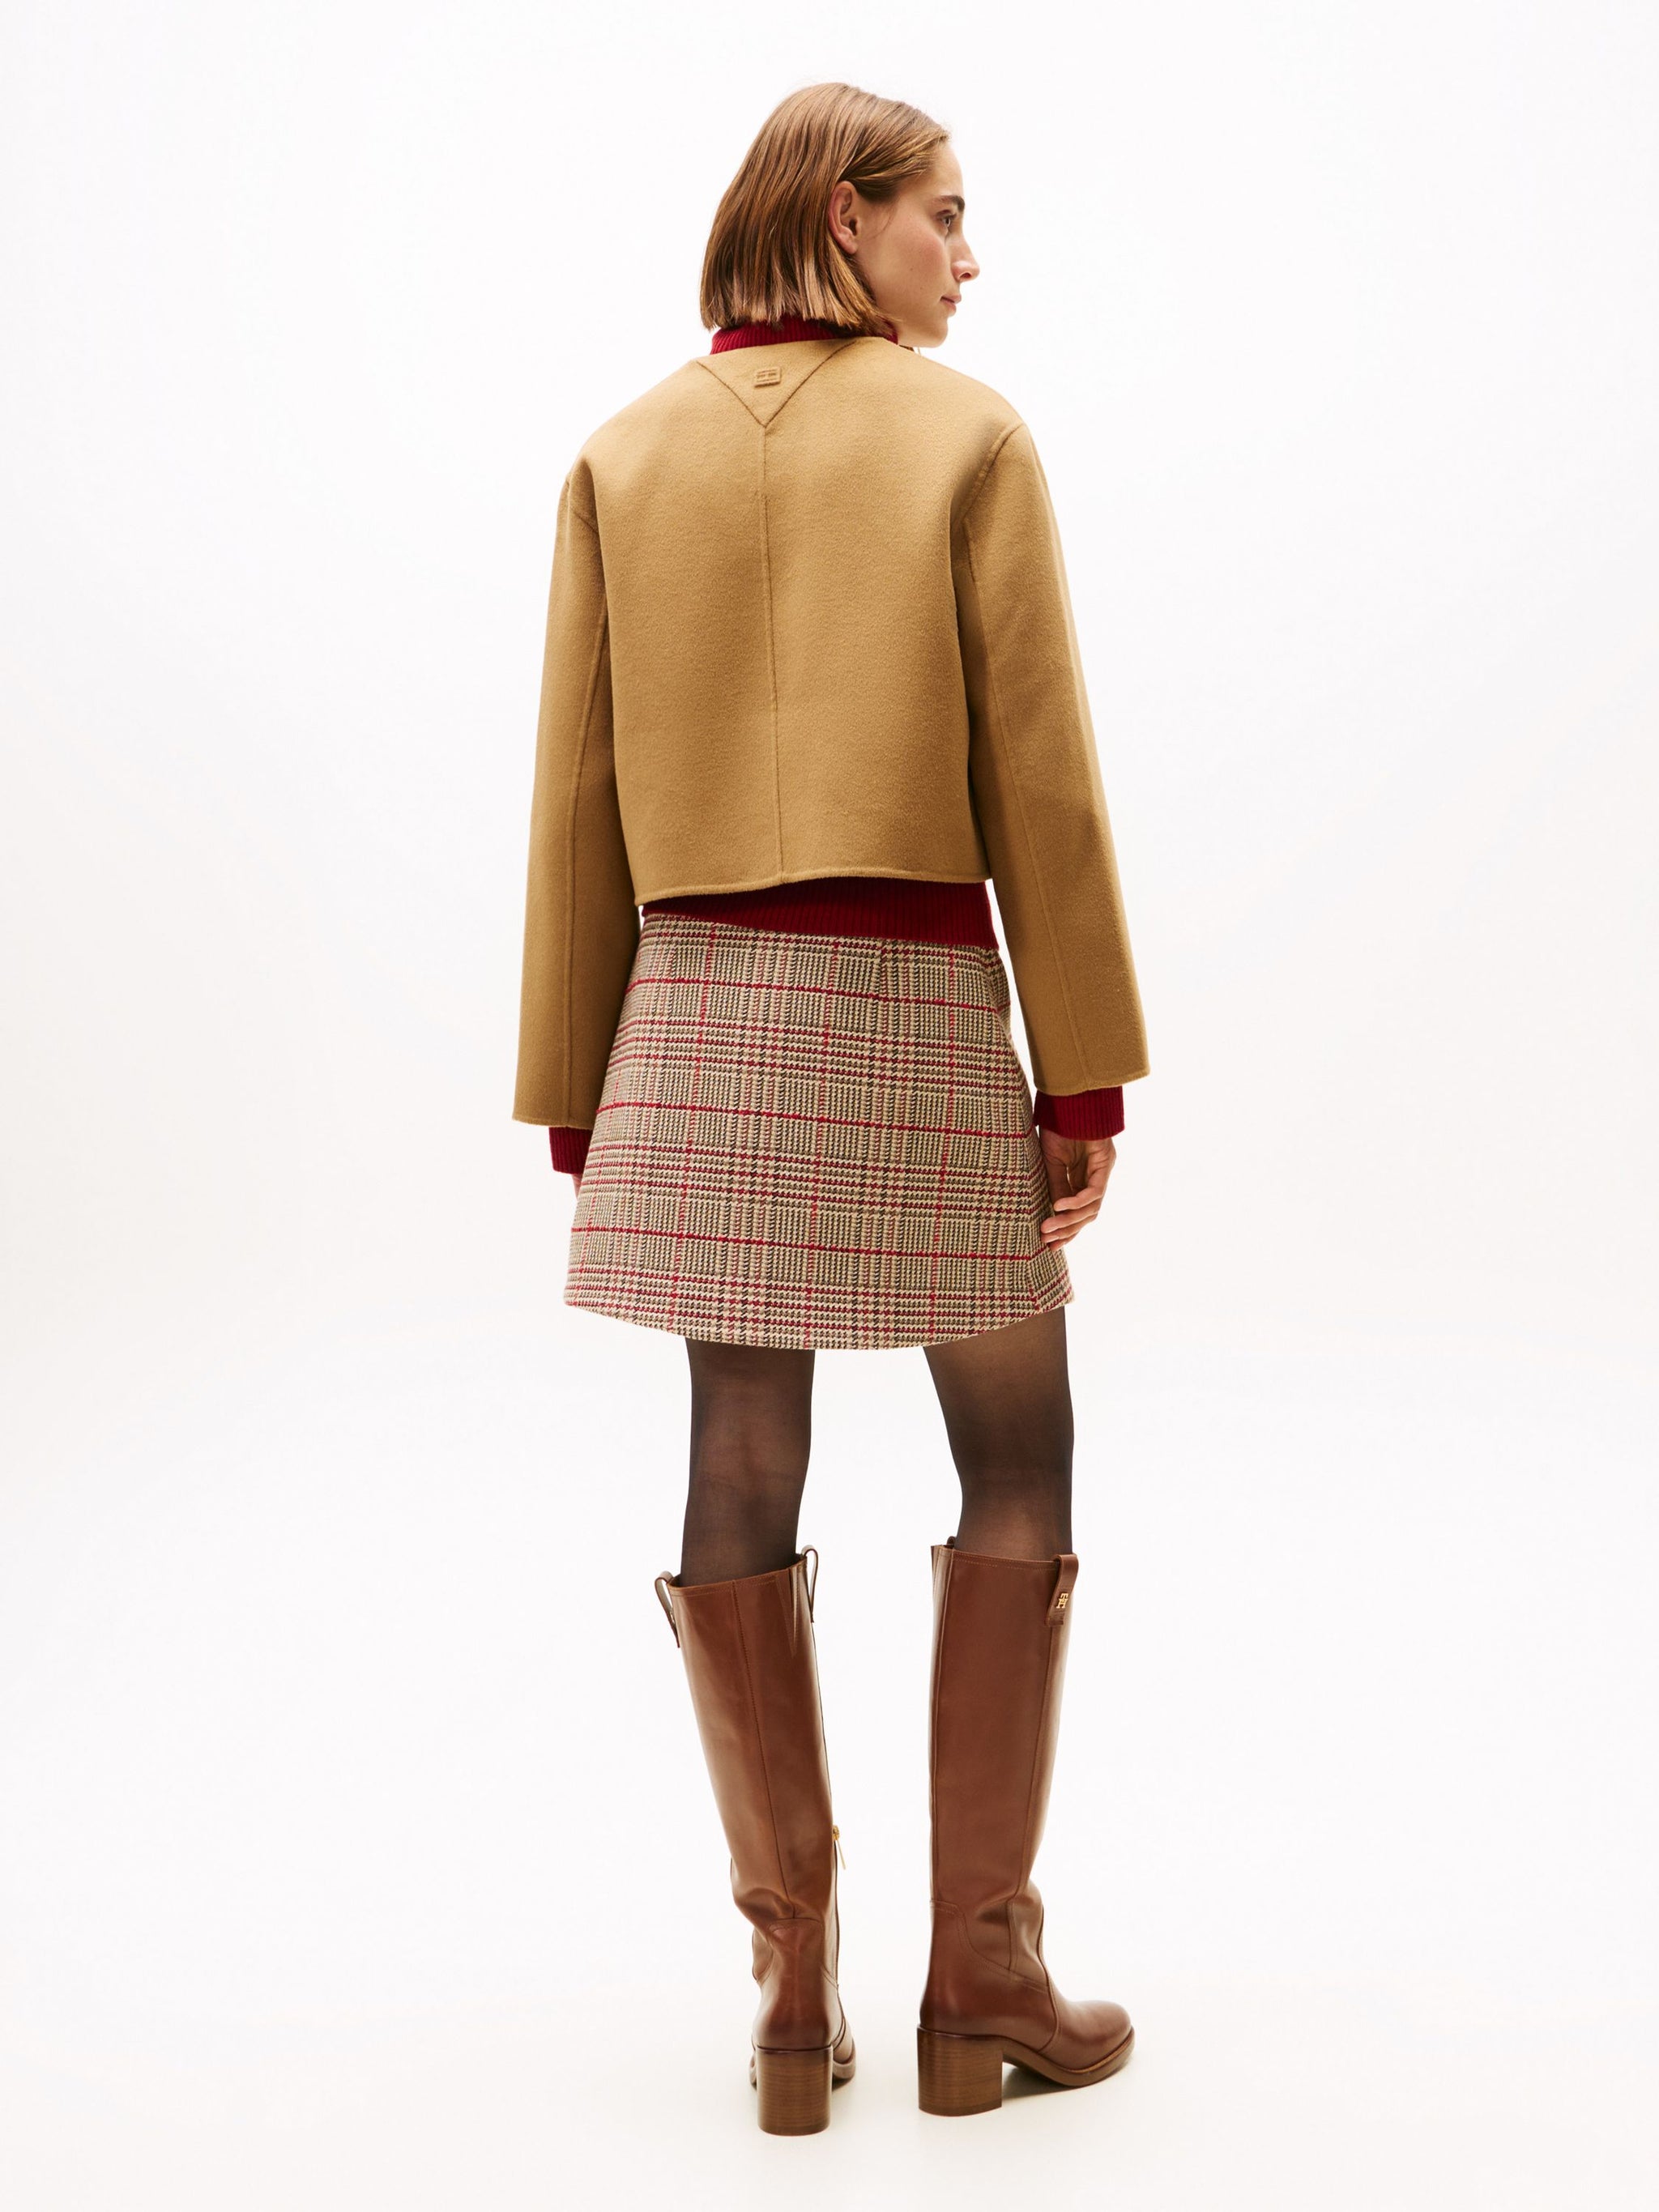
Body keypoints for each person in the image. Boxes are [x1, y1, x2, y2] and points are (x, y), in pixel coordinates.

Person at [513, 81, 1149, 2134]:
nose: (969, 252)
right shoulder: (967, 438)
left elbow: (576, 797)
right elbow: (1039, 775)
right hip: (913, 1002)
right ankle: (986, 1976)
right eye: (943, 212)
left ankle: (793, 1994)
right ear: (843, 217)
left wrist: (579, 1086)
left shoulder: (624, 452)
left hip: (693, 1017)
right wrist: (1080, 1066)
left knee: (737, 1459)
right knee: (1020, 1450)